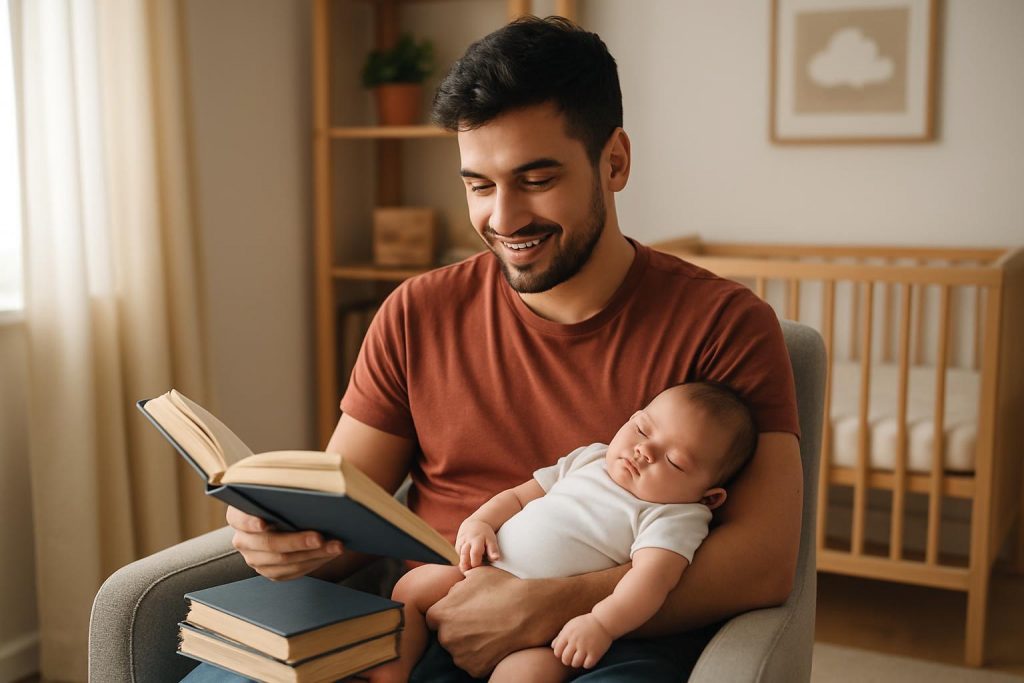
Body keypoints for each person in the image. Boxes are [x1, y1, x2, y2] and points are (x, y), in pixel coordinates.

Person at [185, 15, 802, 683]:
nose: (503, 219)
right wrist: (284, 536)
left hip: (596, 644)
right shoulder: (415, 313)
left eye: (536, 179)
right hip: (424, 616)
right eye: (479, 184)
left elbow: (764, 560)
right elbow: (350, 510)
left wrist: (549, 604)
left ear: (614, 161)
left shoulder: (726, 324)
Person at [365, 381, 757, 683]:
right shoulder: (592, 457)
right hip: (479, 573)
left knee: (526, 675)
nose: (645, 451)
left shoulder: (675, 515)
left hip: (553, 626)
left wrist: (602, 623)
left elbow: (650, 583)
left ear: (709, 497)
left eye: (674, 460)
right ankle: (391, 676)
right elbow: (519, 496)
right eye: (642, 429)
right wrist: (480, 522)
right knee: (411, 587)